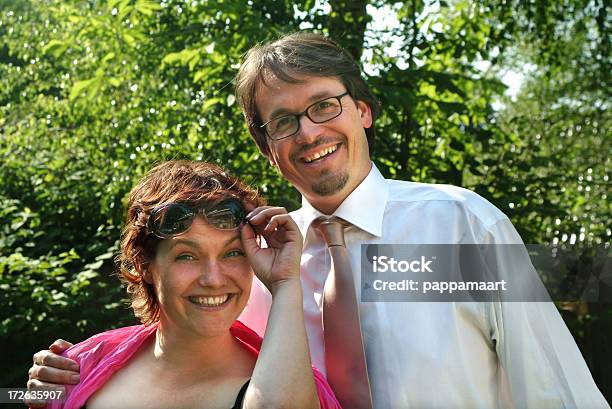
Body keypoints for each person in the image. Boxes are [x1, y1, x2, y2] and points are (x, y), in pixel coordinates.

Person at [28, 33, 609, 408]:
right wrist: (71, 374)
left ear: (362, 110)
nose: (308, 132)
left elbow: (554, 387)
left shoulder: (458, 228)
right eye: (283, 122)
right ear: (266, 147)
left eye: (324, 106)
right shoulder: (256, 265)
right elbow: (179, 360)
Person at [28, 160, 339, 409]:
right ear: (144, 266)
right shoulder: (83, 367)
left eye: (232, 253)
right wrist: (29, 394)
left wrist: (285, 282)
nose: (214, 279)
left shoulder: (294, 385)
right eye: (187, 256)